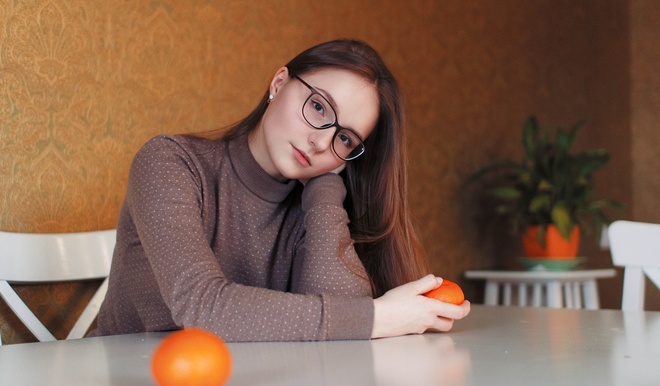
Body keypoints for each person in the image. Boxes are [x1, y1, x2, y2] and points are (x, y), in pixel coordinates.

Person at [94, 39, 470, 342]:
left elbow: (341, 323)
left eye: (344, 138)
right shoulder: (169, 162)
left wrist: (324, 188)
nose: (321, 142)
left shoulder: (316, 204)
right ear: (278, 84)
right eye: (319, 107)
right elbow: (201, 306)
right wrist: (378, 317)